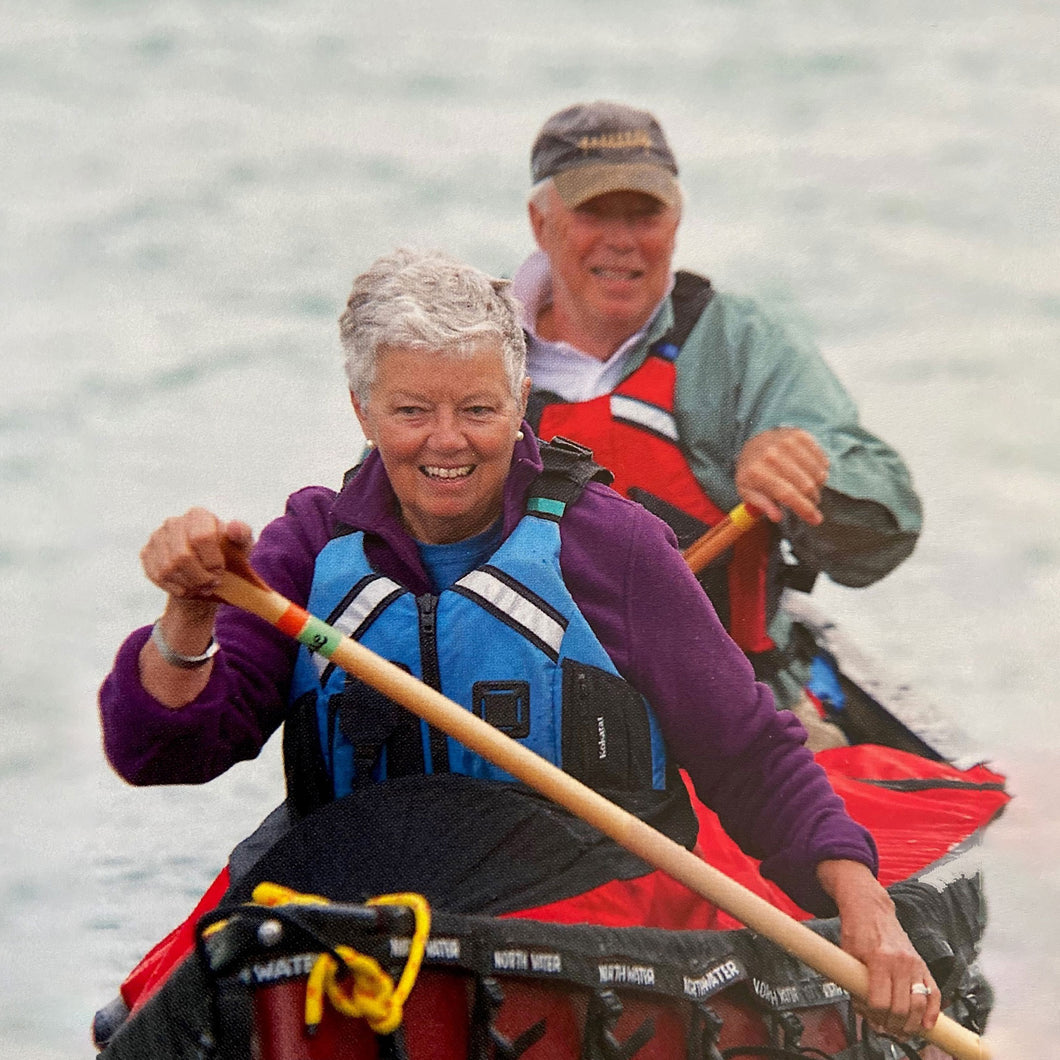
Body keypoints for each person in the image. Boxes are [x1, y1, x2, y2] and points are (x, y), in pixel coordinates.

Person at [99, 248, 938, 1039]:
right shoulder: (306, 551)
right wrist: (186, 616)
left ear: (520, 395)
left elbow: (748, 753)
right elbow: (160, 752)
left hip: (586, 920)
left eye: (478, 408)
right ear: (362, 409)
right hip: (363, 921)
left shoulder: (611, 547)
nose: (448, 441)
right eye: (412, 410)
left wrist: (863, 904)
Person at [515, 100, 923, 736]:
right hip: (526, 714)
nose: (622, 239)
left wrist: (808, 477)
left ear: (675, 221)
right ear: (541, 222)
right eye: (594, 210)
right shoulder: (473, 349)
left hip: (734, 719)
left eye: (644, 212)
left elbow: (886, 530)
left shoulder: (745, 344)